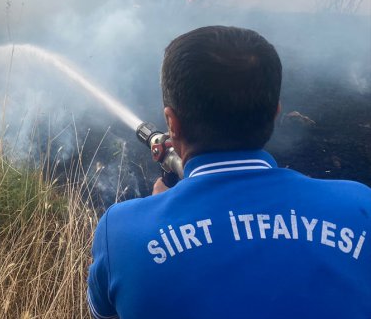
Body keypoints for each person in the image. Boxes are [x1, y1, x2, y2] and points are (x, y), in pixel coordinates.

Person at [87, 26, 371, 319]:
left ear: (172, 123)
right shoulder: (360, 207)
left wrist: (160, 211)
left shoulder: (122, 231)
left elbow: (105, 314)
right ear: (276, 113)